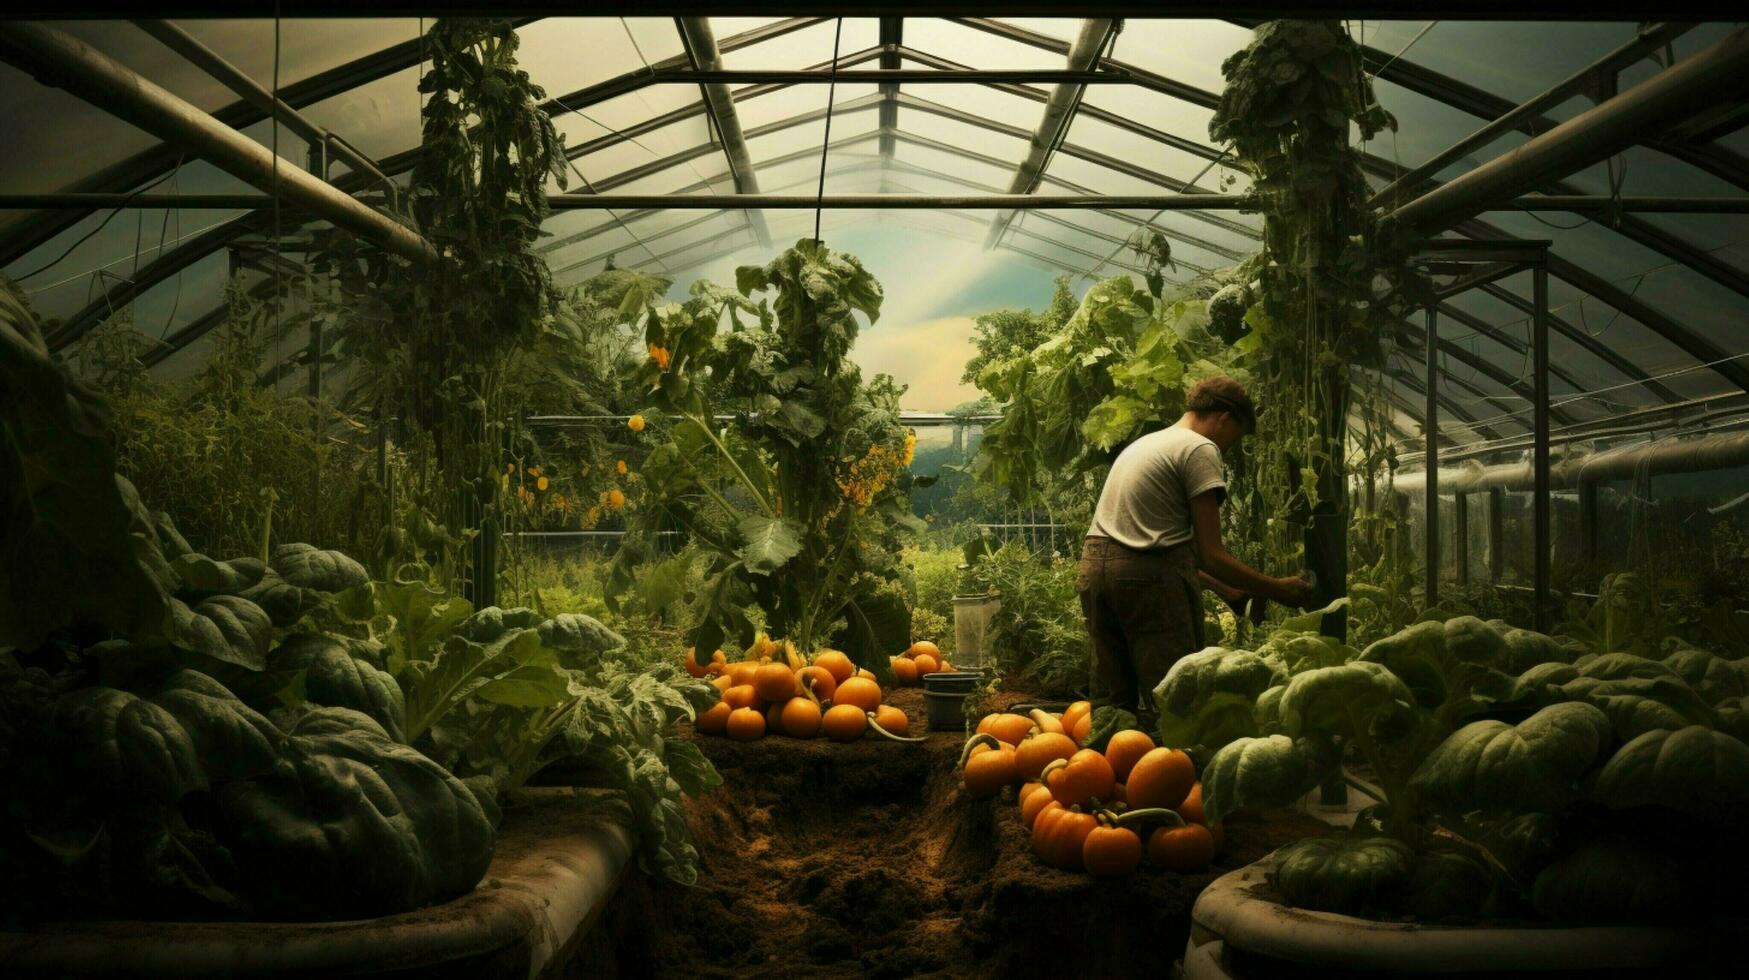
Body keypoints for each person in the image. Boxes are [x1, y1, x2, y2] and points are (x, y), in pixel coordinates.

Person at [1077, 376, 1314, 727]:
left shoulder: (1147, 444)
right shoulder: (1200, 449)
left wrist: (1226, 591)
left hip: (1094, 568)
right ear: (1224, 419)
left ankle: (1109, 776)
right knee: (1177, 701)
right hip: (1143, 580)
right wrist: (1281, 590)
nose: (1231, 448)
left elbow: (1145, 544)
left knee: (1113, 707)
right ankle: (1179, 777)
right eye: (1238, 435)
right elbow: (1210, 555)